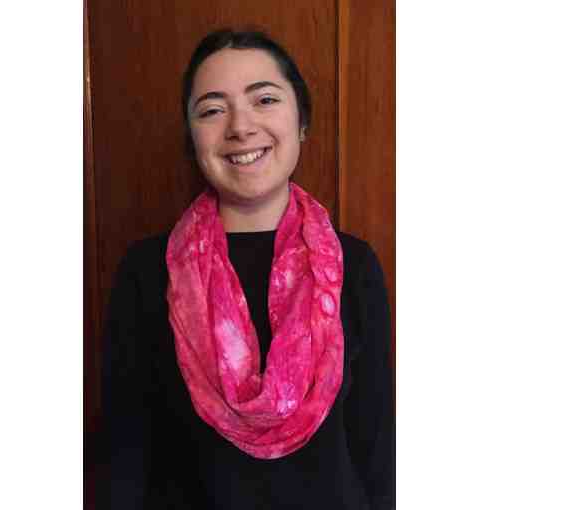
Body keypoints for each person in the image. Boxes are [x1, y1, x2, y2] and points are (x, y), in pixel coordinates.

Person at [99, 29, 395, 510]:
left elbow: (378, 448)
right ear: (192, 137)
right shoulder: (147, 272)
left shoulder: (354, 265)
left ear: (302, 121)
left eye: (265, 100)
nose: (240, 126)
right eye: (212, 110)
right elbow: (125, 457)